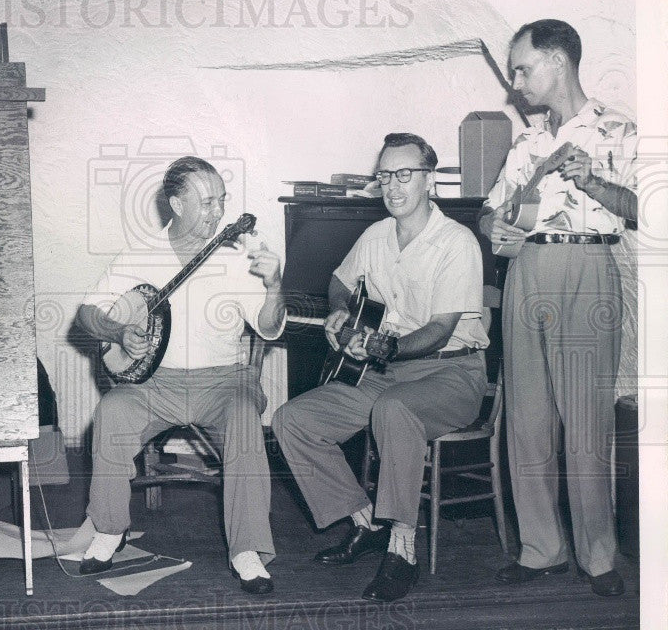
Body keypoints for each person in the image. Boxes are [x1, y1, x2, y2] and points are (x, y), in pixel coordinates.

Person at [272, 133, 489, 602]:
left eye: (404, 174)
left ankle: (402, 548)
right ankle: (365, 522)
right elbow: (338, 281)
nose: (392, 186)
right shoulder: (375, 235)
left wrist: (382, 348)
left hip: (452, 373)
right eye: (385, 175)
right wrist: (342, 313)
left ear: (429, 180)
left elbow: (438, 331)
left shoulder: (456, 241)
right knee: (293, 420)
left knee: (394, 409)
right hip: (387, 371)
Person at [75, 156, 286, 594]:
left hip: (225, 380)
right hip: (157, 383)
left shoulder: (237, 257)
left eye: (222, 201)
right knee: (112, 412)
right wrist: (118, 331)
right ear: (175, 204)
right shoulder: (140, 254)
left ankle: (247, 550)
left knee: (246, 420)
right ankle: (110, 529)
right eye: (206, 202)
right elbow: (86, 314)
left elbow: (268, 327)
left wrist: (274, 286)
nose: (218, 211)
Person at [479, 20, 636, 597]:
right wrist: (490, 223)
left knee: (586, 422)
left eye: (523, 68)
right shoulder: (526, 141)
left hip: (589, 270)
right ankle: (540, 549)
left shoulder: (618, 128)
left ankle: (599, 557)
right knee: (526, 417)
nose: (515, 82)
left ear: (559, 63)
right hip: (526, 271)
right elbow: (490, 212)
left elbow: (645, 210)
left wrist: (594, 183)